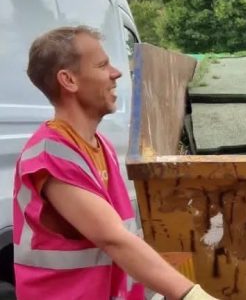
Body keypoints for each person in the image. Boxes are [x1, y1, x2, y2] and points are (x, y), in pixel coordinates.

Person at [13, 26, 215, 299]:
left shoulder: (100, 146)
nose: (116, 73)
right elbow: (113, 239)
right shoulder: (51, 156)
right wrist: (190, 295)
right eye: (102, 65)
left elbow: (121, 236)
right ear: (68, 80)